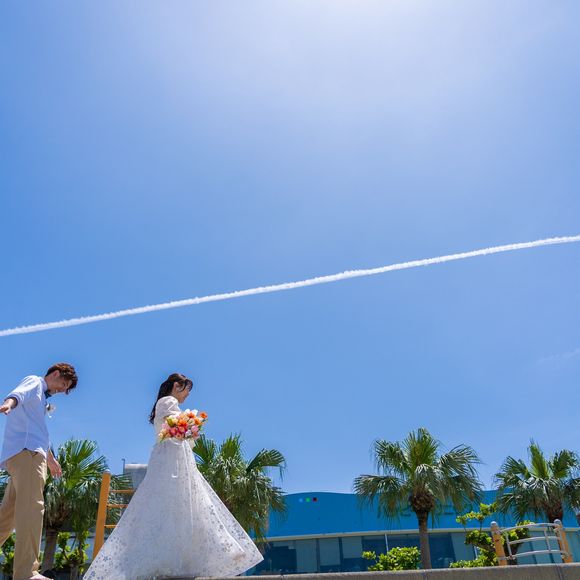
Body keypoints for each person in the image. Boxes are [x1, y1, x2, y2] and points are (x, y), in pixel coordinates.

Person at [84, 373, 263, 580]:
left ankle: (187, 557)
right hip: (172, 457)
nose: (187, 395)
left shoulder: (166, 403)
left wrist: (190, 430)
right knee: (181, 502)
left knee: (182, 504)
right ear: (177, 386)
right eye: (187, 389)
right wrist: (191, 426)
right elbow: (174, 427)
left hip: (175, 455)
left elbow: (177, 430)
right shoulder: (168, 401)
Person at [0, 363, 78, 580]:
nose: (62, 390)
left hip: (24, 455)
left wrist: (51, 460)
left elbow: (39, 433)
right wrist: (7, 404)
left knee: (7, 516)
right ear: (55, 373)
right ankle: (26, 573)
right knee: (33, 508)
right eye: (64, 384)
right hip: (28, 455)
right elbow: (17, 395)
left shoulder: (41, 399)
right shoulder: (35, 382)